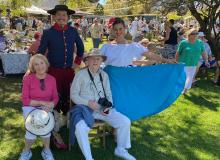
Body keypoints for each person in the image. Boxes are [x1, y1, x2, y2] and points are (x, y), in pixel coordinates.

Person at [70, 49, 136, 160]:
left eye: (98, 59)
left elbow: (108, 93)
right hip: (85, 108)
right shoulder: (80, 75)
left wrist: (108, 106)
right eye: (92, 58)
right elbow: (74, 95)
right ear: (87, 61)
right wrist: (88, 103)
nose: (95, 61)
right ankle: (89, 157)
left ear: (101, 61)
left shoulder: (104, 75)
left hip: (101, 108)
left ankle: (121, 149)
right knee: (80, 127)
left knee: (125, 121)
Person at [38, 4, 84, 150]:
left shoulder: (73, 31)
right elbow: (40, 52)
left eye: (64, 15)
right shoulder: (48, 32)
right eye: (58, 15)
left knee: (71, 98)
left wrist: (76, 64)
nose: (61, 17)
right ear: (54, 17)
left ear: (68, 17)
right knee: (53, 100)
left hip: (69, 72)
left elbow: (81, 48)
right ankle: (54, 127)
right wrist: (41, 68)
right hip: (53, 73)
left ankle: (70, 122)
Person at [19, 54, 58, 160]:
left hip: (45, 108)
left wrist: (51, 104)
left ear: (46, 64)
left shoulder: (52, 79)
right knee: (31, 131)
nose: (40, 66)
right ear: (33, 67)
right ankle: (26, 152)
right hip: (30, 107)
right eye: (36, 64)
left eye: (42, 63)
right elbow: (25, 100)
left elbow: (55, 98)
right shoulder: (28, 79)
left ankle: (46, 151)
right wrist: (41, 102)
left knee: (46, 130)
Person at [100, 17, 175, 67]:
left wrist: (167, 60)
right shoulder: (106, 47)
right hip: (111, 85)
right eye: (115, 29)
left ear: (124, 28)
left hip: (127, 83)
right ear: (111, 30)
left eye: (120, 29)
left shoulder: (133, 46)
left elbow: (150, 55)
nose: (118, 31)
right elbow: (96, 61)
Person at [175, 29, 209, 94]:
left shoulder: (200, 42)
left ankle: (185, 90)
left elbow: (203, 52)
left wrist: (206, 60)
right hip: (183, 63)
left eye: (196, 33)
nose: (196, 35)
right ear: (189, 35)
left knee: (189, 78)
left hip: (193, 63)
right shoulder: (183, 42)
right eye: (194, 34)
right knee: (183, 77)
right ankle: (178, 88)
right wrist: (176, 61)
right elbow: (178, 53)